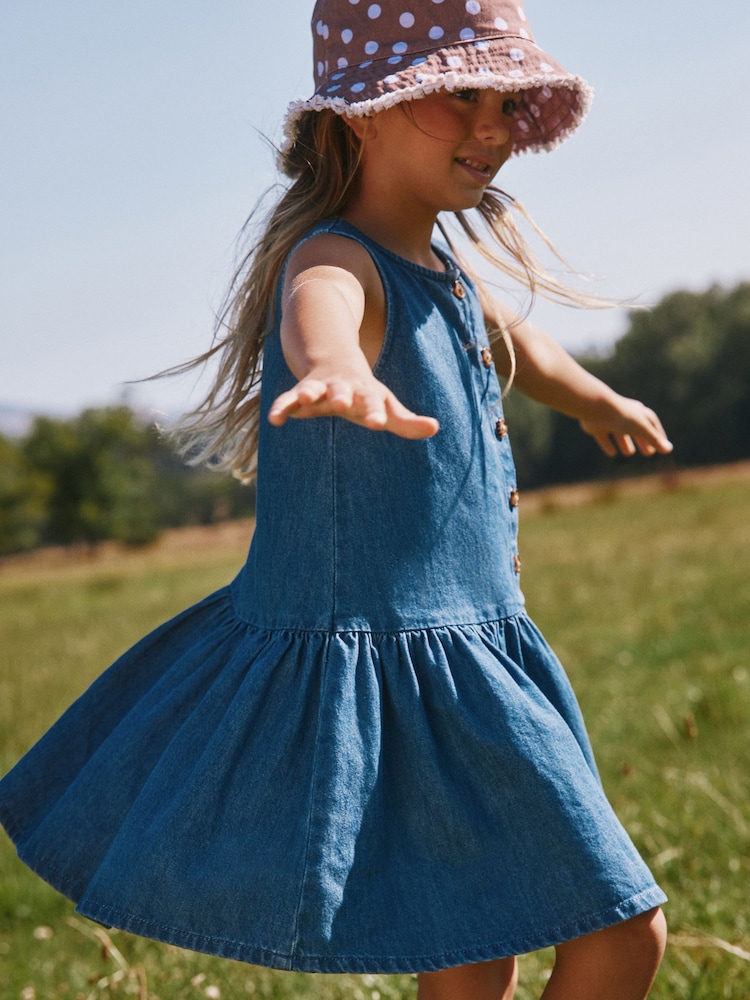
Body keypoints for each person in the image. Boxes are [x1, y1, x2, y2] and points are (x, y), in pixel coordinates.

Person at [0, 1, 672, 997]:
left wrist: (595, 398)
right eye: (457, 97)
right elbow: (324, 311)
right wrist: (334, 370)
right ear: (360, 113)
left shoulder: (446, 270)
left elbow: (521, 346)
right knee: (622, 932)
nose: (491, 126)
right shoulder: (336, 258)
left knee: (482, 946)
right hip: (410, 665)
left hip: (475, 656)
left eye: (503, 100)